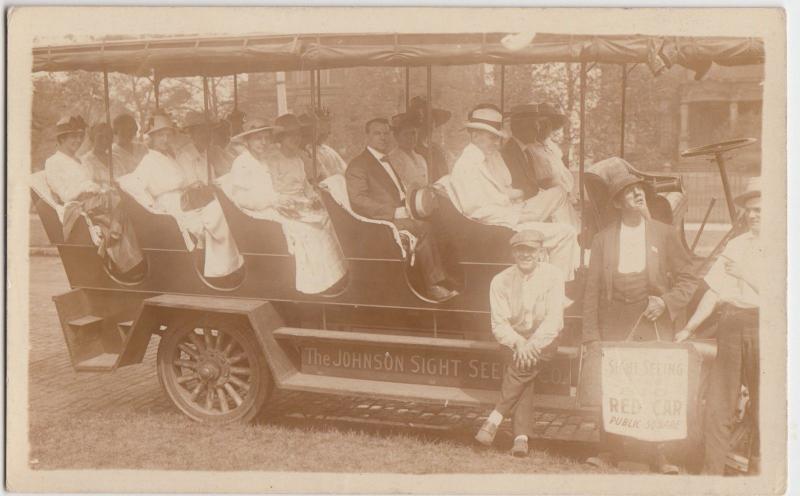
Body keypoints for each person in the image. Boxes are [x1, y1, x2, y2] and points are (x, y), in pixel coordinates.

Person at [581, 164, 698, 474]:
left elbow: (689, 278)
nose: (635, 193)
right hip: (615, 317)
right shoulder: (603, 239)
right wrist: (591, 336)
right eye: (626, 192)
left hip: (653, 316)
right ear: (617, 203)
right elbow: (591, 290)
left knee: (655, 383)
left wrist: (667, 302)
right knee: (614, 383)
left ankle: (658, 454)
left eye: (639, 190)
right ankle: (609, 451)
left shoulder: (664, 233)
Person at [674, 178, 761, 475]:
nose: (752, 216)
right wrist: (689, 327)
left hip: (767, 326)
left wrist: (747, 274)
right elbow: (713, 291)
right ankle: (711, 473)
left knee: (766, 402)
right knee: (719, 402)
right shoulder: (737, 244)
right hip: (732, 324)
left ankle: (762, 474)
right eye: (749, 211)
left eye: (759, 210)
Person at [444, 104, 578, 280]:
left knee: (559, 196)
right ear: (475, 135)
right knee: (565, 233)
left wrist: (518, 203)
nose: (496, 143)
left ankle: (554, 282)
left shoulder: (490, 157)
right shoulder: (467, 166)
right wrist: (518, 216)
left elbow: (505, 189)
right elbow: (476, 212)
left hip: (511, 214)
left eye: (497, 138)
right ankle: (555, 290)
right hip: (496, 230)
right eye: (492, 137)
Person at [229, 115, 346, 294]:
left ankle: (333, 276)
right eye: (257, 139)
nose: (263, 143)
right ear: (247, 141)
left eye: (266, 138)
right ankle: (314, 284)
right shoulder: (242, 163)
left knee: (326, 220)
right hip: (257, 212)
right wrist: (274, 200)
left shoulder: (266, 159)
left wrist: (310, 198)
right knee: (308, 228)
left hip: (279, 205)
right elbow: (242, 198)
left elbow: (296, 186)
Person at [474, 230, 565, 457]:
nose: (525, 254)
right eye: (520, 250)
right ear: (512, 253)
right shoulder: (500, 281)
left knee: (521, 368)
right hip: (514, 341)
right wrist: (519, 343)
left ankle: (495, 418)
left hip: (545, 338)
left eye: (531, 250)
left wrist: (531, 344)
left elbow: (553, 320)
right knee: (524, 373)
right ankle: (520, 438)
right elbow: (499, 325)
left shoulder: (553, 276)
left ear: (541, 253)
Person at [120, 113, 243, 279]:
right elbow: (133, 185)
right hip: (171, 205)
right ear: (152, 138)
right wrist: (152, 207)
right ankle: (219, 270)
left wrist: (191, 186)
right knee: (214, 215)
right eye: (160, 136)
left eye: (167, 135)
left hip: (183, 200)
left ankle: (223, 267)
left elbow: (181, 182)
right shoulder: (148, 160)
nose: (165, 139)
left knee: (220, 211)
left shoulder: (169, 157)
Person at [346, 117, 456, 302]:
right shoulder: (359, 165)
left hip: (400, 212)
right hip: (379, 222)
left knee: (439, 221)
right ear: (367, 136)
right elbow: (358, 200)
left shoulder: (385, 160)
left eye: (386, 133)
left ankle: (441, 276)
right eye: (377, 133)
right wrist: (393, 212)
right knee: (424, 228)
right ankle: (432, 286)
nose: (383, 137)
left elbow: (398, 190)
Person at [44, 115, 143, 275]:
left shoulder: (77, 160)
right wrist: (88, 188)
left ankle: (128, 258)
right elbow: (64, 194)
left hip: (94, 201)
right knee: (119, 201)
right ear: (62, 138)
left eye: (79, 136)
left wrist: (99, 188)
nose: (77, 141)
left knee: (126, 202)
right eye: (72, 137)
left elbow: (91, 184)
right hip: (78, 207)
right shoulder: (54, 162)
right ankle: (130, 263)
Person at [407, 95, 452, 181]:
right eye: (424, 121)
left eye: (432, 121)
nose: (430, 126)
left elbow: (445, 174)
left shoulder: (436, 148)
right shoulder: (412, 149)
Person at [299, 107, 348, 182]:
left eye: (329, 127)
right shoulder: (307, 152)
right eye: (322, 128)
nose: (329, 132)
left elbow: (345, 171)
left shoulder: (328, 150)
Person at [388, 113, 430, 191]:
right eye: (406, 134)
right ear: (396, 136)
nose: (410, 138)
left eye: (413, 133)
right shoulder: (392, 159)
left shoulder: (420, 158)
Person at [175, 110, 214, 185]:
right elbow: (193, 185)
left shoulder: (205, 154)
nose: (206, 136)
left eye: (208, 131)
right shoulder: (185, 156)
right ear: (192, 135)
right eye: (201, 132)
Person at [80, 123, 114, 187]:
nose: (104, 141)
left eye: (107, 137)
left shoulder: (115, 160)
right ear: (93, 138)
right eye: (100, 137)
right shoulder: (85, 161)